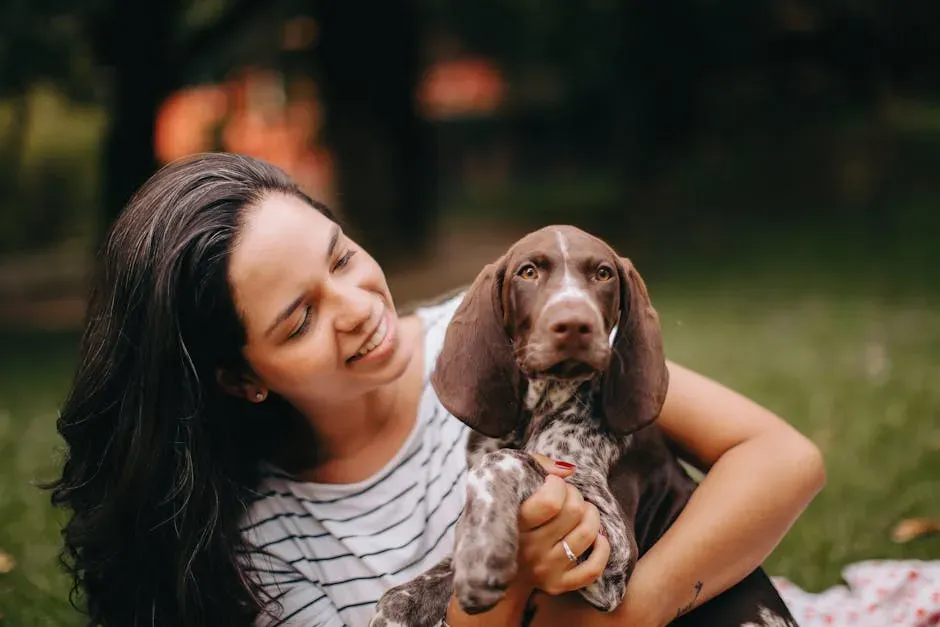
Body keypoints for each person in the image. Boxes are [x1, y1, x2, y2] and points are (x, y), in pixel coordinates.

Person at [48, 152, 825, 627]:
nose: (359, 310)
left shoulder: (494, 339)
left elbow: (781, 457)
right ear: (241, 376)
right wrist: (511, 579)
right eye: (300, 320)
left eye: (343, 257)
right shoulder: (269, 544)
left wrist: (641, 606)